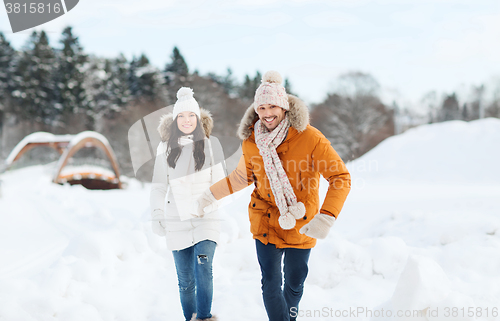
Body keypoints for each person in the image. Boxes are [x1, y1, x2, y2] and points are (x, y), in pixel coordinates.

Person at [198, 71, 351, 321]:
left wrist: (326, 216)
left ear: (284, 106)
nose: (267, 113)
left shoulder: (310, 138)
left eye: (272, 106)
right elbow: (240, 178)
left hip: (301, 222)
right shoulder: (251, 141)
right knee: (270, 283)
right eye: (261, 107)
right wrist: (209, 196)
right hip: (265, 220)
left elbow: (340, 177)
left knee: (294, 284)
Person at [150, 87, 225, 321]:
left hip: (206, 218)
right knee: (185, 282)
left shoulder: (211, 145)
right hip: (176, 220)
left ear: (198, 118)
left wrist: (206, 202)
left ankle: (204, 317)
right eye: (181, 116)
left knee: (203, 269)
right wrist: (157, 213)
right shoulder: (165, 148)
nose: (186, 120)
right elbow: (159, 186)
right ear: (174, 120)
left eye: (191, 115)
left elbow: (221, 184)